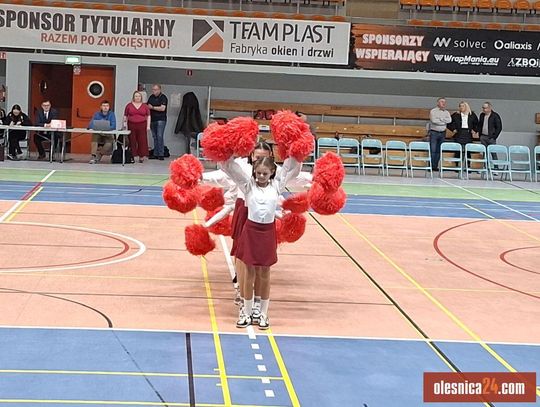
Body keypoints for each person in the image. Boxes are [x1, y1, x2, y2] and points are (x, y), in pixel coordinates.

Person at [220, 153, 302, 330]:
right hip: (250, 231)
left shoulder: (277, 185)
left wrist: (295, 150)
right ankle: (246, 312)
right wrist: (225, 152)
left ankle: (263, 313)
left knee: (264, 273)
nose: (261, 177)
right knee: (248, 273)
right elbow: (230, 168)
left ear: (272, 172)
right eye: (258, 173)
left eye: (265, 173)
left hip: (267, 233)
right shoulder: (248, 185)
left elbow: (291, 167)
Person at [123, 91, 150, 163]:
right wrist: (124, 125)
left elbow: (148, 116)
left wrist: (148, 126)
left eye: (139, 96)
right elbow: (125, 115)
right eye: (136, 96)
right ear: (133, 97)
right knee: (132, 140)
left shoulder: (145, 106)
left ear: (141, 97)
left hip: (142, 125)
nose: (137, 98)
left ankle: (141, 156)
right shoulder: (129, 105)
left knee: (142, 140)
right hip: (131, 124)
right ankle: (132, 155)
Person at [475, 102, 502, 166]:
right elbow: (479, 125)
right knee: (484, 153)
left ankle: (496, 167)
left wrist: (494, 137)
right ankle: (485, 167)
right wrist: (478, 132)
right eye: (483, 108)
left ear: (490, 108)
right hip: (483, 136)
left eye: (485, 108)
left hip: (491, 137)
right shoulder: (482, 115)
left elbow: (499, 127)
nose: (484, 109)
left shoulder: (495, 115)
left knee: (493, 153)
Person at [428, 97, 452, 171]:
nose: (443, 103)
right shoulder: (433, 111)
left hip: (442, 133)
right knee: (433, 149)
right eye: (442, 102)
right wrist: (444, 121)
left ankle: (435, 166)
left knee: (439, 150)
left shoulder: (446, 112)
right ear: (438, 103)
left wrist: (440, 120)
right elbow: (434, 121)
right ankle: (431, 166)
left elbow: (449, 120)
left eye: (444, 102)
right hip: (434, 132)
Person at [147, 84, 168, 161]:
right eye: (153, 89)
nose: (154, 91)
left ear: (159, 90)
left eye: (155, 89)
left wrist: (152, 107)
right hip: (152, 119)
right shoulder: (151, 97)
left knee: (159, 136)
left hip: (161, 119)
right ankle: (155, 153)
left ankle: (161, 154)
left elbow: (162, 108)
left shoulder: (163, 97)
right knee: (155, 137)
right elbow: (147, 106)